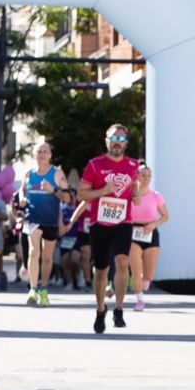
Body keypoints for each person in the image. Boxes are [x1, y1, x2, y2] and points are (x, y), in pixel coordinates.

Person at [77, 123, 140, 334]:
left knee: (123, 262)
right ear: (107, 141)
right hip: (99, 223)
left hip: (123, 221)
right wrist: (103, 191)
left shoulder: (132, 164)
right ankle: (100, 309)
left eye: (122, 139)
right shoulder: (95, 165)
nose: (117, 142)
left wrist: (136, 193)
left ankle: (119, 309)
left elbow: (134, 183)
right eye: (114, 138)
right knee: (102, 269)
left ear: (126, 144)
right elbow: (82, 195)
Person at [20, 143, 70, 307]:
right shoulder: (29, 174)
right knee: (34, 252)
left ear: (50, 155)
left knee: (47, 257)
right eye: (39, 151)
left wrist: (53, 191)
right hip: (32, 218)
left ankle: (44, 288)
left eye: (45, 151)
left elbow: (68, 198)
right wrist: (21, 198)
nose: (42, 154)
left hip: (50, 219)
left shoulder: (56, 173)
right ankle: (32, 289)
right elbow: (22, 190)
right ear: (34, 154)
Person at [127, 164, 168, 311]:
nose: (146, 178)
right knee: (136, 268)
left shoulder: (156, 195)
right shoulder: (130, 195)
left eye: (149, 175)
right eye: (143, 175)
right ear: (137, 176)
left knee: (149, 273)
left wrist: (153, 224)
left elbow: (165, 216)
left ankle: (145, 281)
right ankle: (139, 299)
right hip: (133, 232)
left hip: (150, 232)